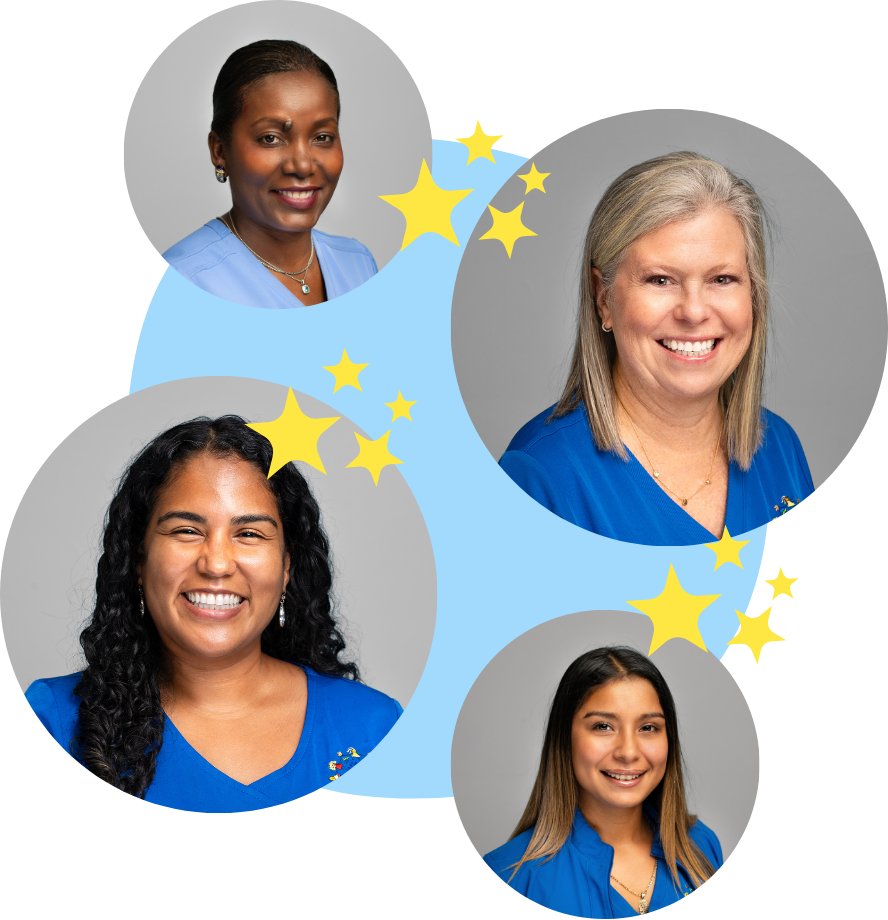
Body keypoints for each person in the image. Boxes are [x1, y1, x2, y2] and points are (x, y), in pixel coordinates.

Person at [24, 416, 401, 812]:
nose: (217, 564)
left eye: (250, 534)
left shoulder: (373, 724)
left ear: (286, 567)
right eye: (186, 530)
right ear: (139, 559)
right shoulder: (56, 718)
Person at [499, 152, 814, 545]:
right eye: (661, 280)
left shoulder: (780, 449)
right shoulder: (543, 476)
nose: (694, 312)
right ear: (603, 299)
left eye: (722, 278)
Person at [483, 647, 722, 916]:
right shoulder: (511, 874)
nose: (629, 752)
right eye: (603, 726)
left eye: (648, 727)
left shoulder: (701, 845)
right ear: (564, 738)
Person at [163, 40, 377, 309]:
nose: (302, 166)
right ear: (219, 151)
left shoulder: (358, 264)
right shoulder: (182, 283)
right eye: (270, 138)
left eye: (322, 137)